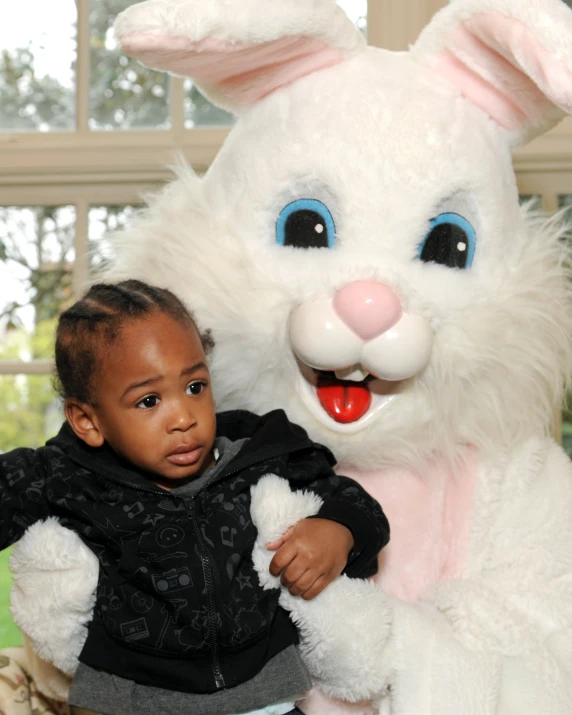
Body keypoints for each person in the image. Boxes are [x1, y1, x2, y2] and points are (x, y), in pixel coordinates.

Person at [0, 280, 389, 715]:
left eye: (195, 387)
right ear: (88, 421)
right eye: (149, 401)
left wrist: (338, 530)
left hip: (264, 697)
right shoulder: (68, 474)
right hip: (128, 701)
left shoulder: (260, 455)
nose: (183, 418)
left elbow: (358, 503)